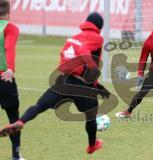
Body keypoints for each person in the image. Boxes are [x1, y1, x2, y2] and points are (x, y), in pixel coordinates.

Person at [0, 12, 110, 155]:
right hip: (83, 86)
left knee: (39, 106)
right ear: (99, 27)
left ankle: (21, 121)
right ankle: (92, 145)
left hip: (64, 81)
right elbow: (84, 51)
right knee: (91, 116)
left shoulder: (73, 38)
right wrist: (94, 72)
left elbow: (64, 59)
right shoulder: (97, 38)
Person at [0, 1, 26, 160]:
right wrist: (10, 68)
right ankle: (16, 155)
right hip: (4, 78)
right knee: (13, 118)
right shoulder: (10, 28)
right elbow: (9, 47)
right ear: (8, 13)